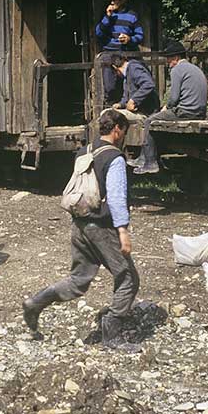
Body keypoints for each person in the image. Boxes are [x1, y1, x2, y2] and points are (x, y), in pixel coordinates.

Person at [22, 109, 139, 347]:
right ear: (117, 130)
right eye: (124, 132)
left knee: (78, 279)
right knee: (128, 277)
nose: (124, 137)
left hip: (79, 223)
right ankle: (112, 333)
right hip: (102, 227)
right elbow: (116, 198)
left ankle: (35, 303)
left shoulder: (83, 151)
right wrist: (123, 231)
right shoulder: (114, 158)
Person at [136, 40, 208, 174]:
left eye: (168, 59)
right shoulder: (195, 68)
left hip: (185, 111)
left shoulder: (177, 70)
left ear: (175, 58)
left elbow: (174, 98)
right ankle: (143, 158)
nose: (167, 63)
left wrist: (167, 107)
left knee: (149, 121)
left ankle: (150, 162)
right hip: (199, 111)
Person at [110, 54, 160, 174]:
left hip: (148, 111)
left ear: (115, 68)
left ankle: (114, 156)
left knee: (110, 116)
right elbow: (127, 96)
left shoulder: (134, 69)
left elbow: (148, 84)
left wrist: (134, 100)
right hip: (141, 110)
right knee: (112, 112)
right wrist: (121, 104)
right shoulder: (128, 75)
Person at [95, 0, 144, 105]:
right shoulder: (107, 15)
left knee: (130, 80)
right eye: (112, 0)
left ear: (122, 1)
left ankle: (129, 103)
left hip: (125, 51)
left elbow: (140, 35)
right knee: (109, 85)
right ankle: (109, 104)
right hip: (109, 52)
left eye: (116, 0)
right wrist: (107, 17)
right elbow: (98, 33)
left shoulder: (132, 16)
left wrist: (129, 39)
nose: (113, 3)